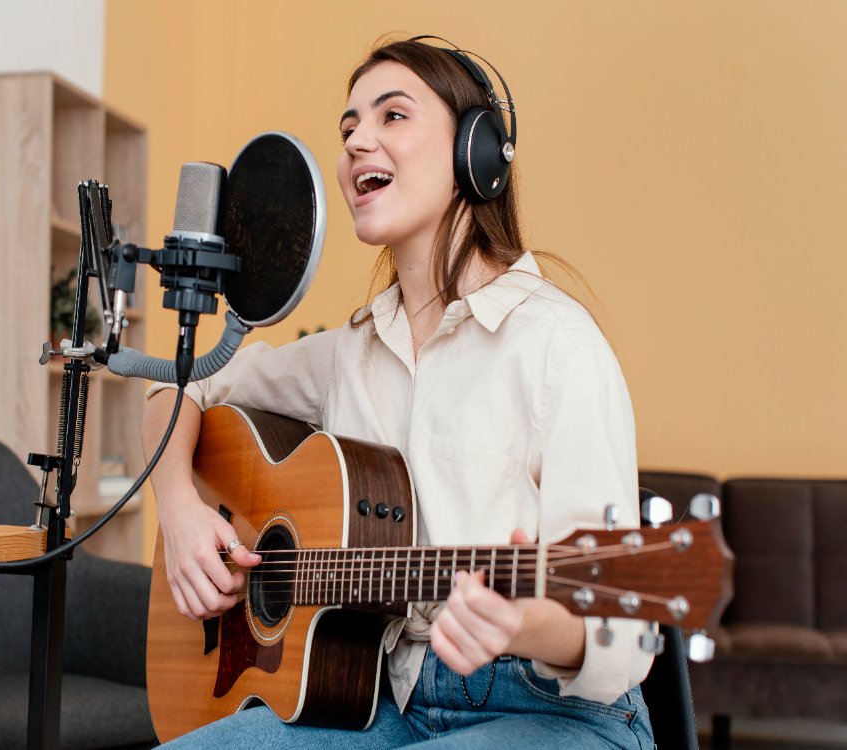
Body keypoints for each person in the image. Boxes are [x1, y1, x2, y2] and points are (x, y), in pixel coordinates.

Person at [143, 35, 655, 749]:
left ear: (474, 154)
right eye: (349, 127)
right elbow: (182, 384)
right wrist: (179, 507)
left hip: (550, 711)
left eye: (392, 116)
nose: (357, 143)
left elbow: (618, 629)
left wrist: (522, 621)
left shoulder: (557, 347)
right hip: (381, 702)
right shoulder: (348, 352)